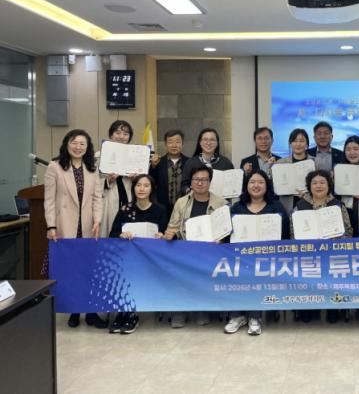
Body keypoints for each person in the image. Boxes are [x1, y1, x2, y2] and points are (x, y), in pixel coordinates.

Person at [44, 129, 105, 328]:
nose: (78, 147)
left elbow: (97, 198)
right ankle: (74, 310)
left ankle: (91, 312)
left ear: (87, 148)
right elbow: (49, 200)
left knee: (89, 271)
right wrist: (51, 225)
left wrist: (97, 220)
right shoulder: (55, 167)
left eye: (82, 144)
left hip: (88, 228)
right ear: (66, 144)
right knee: (70, 272)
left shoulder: (92, 168)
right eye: (74, 142)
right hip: (65, 226)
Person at [225, 169, 290, 335]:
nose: (256, 185)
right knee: (237, 273)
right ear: (246, 186)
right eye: (252, 182)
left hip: (268, 259)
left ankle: (255, 317)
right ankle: (237, 316)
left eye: (261, 182)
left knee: (257, 273)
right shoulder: (237, 208)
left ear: (267, 186)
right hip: (240, 257)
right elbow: (227, 236)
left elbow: (284, 236)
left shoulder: (276, 207)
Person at [165, 165, 228, 327]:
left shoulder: (221, 203)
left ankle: (202, 309)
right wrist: (171, 234)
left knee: (206, 267)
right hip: (185, 249)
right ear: (191, 182)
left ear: (210, 182)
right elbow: (173, 227)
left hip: (210, 251)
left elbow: (226, 232)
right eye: (196, 179)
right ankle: (179, 311)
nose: (200, 183)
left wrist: (219, 240)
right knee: (177, 267)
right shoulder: (181, 203)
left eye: (204, 180)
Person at [109, 174, 168, 334]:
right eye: (138, 185)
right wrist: (121, 234)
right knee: (123, 269)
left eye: (146, 185)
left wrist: (161, 236)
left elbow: (165, 236)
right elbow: (112, 234)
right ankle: (123, 313)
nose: (142, 189)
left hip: (151, 258)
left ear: (152, 189)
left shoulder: (160, 210)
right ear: (133, 188)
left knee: (135, 271)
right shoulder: (125, 209)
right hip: (127, 257)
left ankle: (131, 314)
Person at [291, 169, 353, 323]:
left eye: (322, 182)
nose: (318, 186)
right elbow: (293, 233)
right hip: (308, 254)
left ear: (329, 185)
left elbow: (348, 231)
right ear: (309, 186)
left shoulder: (337, 205)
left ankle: (333, 307)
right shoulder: (300, 206)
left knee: (334, 271)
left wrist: (338, 239)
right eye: (314, 183)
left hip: (333, 253)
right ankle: (309, 307)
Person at [99, 120, 134, 238]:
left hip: (128, 199)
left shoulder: (134, 156)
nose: (121, 137)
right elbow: (92, 183)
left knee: (128, 234)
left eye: (125, 134)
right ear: (111, 135)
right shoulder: (99, 156)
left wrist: (136, 178)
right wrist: (108, 180)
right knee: (108, 233)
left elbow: (144, 182)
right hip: (108, 201)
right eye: (117, 133)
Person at [181, 128, 234, 194]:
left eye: (212, 140)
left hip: (220, 199)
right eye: (205, 139)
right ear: (200, 142)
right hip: (197, 199)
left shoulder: (226, 163)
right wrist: (189, 191)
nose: (208, 143)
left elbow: (232, 184)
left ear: (217, 143)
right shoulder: (190, 163)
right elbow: (184, 185)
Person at [149, 129, 189, 216]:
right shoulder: (158, 163)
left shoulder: (189, 162)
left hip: (185, 207)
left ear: (182, 144)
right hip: (162, 208)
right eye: (170, 142)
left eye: (177, 142)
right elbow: (151, 183)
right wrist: (153, 167)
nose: (174, 145)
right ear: (165, 144)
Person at [275, 128, 315, 213]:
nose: (298, 144)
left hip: (310, 204)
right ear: (290, 144)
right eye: (295, 141)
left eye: (301, 141)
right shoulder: (280, 163)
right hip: (287, 205)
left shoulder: (314, 162)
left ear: (307, 144)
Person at [337, 135, 359, 231]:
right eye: (348, 149)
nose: (352, 152)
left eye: (356, 149)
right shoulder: (338, 170)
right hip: (343, 213)